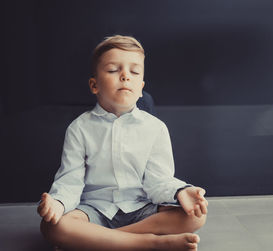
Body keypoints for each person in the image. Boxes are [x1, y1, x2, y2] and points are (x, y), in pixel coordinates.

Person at [37, 35, 208, 251]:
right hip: (94, 210)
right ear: (94, 85)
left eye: (134, 72)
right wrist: (58, 203)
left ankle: (97, 241)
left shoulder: (155, 128)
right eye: (112, 70)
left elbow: (159, 181)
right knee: (52, 227)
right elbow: (70, 180)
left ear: (141, 87)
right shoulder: (79, 128)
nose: (126, 76)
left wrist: (180, 192)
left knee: (194, 218)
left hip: (141, 209)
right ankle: (151, 243)